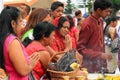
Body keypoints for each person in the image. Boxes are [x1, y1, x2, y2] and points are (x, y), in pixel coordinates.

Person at [0, 6, 40, 80]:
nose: (22, 24)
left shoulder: (4, 38)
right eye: (20, 21)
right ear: (13, 23)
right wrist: (31, 64)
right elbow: (23, 71)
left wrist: (27, 60)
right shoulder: (13, 41)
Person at [77, 0, 112, 73]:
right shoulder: (87, 24)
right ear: (99, 10)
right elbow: (81, 48)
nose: (108, 14)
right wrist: (99, 55)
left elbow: (100, 44)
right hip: (90, 65)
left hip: (100, 64)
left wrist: (104, 63)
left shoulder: (101, 21)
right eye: (107, 11)